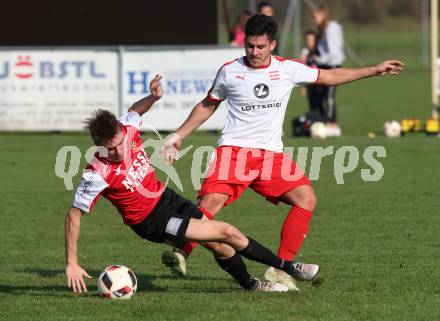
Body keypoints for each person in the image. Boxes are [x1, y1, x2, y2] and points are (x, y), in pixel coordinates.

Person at [160, 14, 404, 290]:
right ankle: (181, 252)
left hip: (270, 157)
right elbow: (208, 104)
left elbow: (329, 76)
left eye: (260, 46)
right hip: (234, 151)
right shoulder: (230, 71)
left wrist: (373, 70)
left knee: (306, 198)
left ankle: (280, 268)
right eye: (250, 46)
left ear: (273, 44)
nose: (254, 52)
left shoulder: (288, 69)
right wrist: (179, 135)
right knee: (209, 205)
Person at [64, 75, 320, 294]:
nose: (119, 151)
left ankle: (252, 285)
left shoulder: (128, 127)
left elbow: (135, 111)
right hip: (152, 221)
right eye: (110, 148)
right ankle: (289, 267)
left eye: (120, 143)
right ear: (98, 145)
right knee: (226, 232)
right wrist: (71, 263)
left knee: (219, 245)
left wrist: (153, 97)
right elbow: (74, 215)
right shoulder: (96, 174)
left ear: (122, 131)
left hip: (167, 199)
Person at [312, 5, 346, 137]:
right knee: (322, 95)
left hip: (333, 66)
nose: (314, 20)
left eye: (315, 17)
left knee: (329, 97)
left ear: (323, 15)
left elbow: (333, 52)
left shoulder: (332, 28)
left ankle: (332, 123)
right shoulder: (325, 29)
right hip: (326, 65)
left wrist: (319, 59)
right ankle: (323, 121)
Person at [299, 30, 324, 118]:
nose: (310, 43)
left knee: (322, 102)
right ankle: (315, 121)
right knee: (312, 103)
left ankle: (324, 120)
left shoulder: (320, 51)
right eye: (308, 40)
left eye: (312, 40)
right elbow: (301, 69)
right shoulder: (305, 51)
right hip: (311, 83)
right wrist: (303, 86)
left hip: (322, 81)